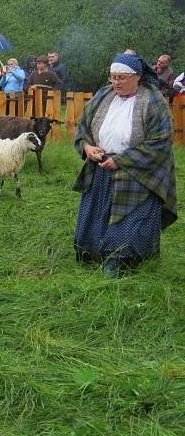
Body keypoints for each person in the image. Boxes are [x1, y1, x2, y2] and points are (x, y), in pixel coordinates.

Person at [73, 53, 177, 278]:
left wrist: (121, 160)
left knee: (130, 220)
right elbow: (82, 127)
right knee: (95, 216)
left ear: (138, 76)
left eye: (121, 77)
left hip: (137, 173)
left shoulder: (153, 100)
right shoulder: (103, 95)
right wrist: (87, 148)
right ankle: (92, 253)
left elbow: (161, 141)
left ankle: (120, 261)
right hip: (101, 167)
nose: (116, 82)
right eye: (112, 77)